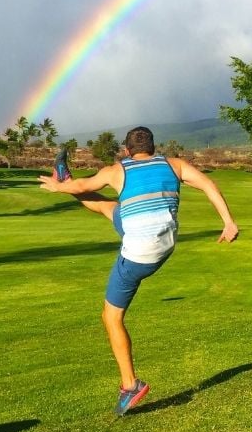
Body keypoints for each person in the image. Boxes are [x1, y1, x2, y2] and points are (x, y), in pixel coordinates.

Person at [39, 126, 239, 415]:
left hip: (137, 256)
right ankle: (67, 175)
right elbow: (210, 185)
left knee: (111, 317)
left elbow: (83, 187)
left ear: (126, 149)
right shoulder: (175, 164)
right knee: (109, 209)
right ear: (154, 147)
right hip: (165, 246)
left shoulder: (116, 171)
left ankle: (130, 385)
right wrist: (228, 222)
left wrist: (59, 186)